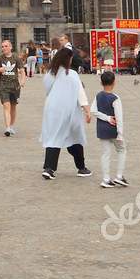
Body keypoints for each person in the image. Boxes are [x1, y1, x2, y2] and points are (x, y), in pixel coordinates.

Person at [40, 45, 91, 180]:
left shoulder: (50, 73)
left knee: (54, 136)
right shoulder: (72, 75)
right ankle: (81, 167)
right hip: (70, 110)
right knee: (75, 137)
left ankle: (49, 168)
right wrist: (87, 111)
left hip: (52, 109)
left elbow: (47, 90)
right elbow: (81, 95)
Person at [95, 70, 127, 188]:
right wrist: (120, 133)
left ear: (101, 83)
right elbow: (119, 117)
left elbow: (94, 111)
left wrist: (106, 118)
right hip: (113, 130)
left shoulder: (98, 95)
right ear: (114, 82)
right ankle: (119, 176)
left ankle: (106, 179)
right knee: (121, 150)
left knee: (105, 154)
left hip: (102, 129)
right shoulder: (115, 98)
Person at [0, 39, 22, 136]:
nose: (4, 48)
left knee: (13, 107)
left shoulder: (16, 57)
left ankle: (11, 125)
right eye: (2, 46)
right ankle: (7, 128)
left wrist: (22, 81)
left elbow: (22, 70)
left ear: (11, 47)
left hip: (15, 86)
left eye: (6, 46)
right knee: (6, 106)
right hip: (3, 86)